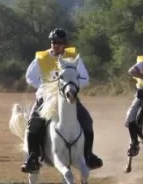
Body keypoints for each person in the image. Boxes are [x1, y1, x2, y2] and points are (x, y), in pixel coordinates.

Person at [21, 28, 103, 173]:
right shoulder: (41, 58)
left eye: (59, 42)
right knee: (32, 125)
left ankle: (88, 155)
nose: (56, 45)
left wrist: (72, 86)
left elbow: (85, 78)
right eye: (53, 42)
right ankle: (33, 157)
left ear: (65, 44)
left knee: (87, 122)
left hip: (68, 97)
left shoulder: (73, 57)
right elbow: (29, 76)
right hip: (46, 97)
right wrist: (45, 86)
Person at [124, 55, 143, 156]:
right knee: (131, 117)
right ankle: (134, 143)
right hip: (142, 95)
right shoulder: (142, 63)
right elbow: (131, 71)